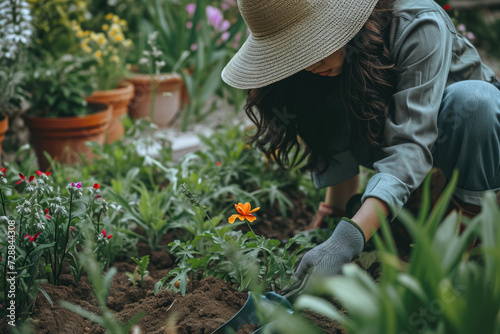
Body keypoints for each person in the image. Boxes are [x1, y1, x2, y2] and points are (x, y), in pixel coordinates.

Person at [221, 0, 500, 297]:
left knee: (473, 101)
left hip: (478, 169)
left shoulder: (417, 22)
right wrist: (335, 214)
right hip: (419, 176)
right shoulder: (330, 61)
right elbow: (327, 118)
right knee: (306, 88)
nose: (307, 62)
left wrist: (347, 240)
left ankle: (466, 249)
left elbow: (410, 143)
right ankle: (415, 215)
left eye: (306, 43)